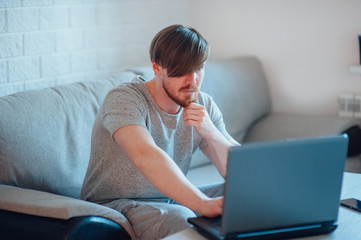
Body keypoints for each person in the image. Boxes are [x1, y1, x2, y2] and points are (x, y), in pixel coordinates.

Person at [81, 24, 239, 240]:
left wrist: (211, 132)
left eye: (199, 68)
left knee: (244, 195)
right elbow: (145, 155)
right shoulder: (124, 99)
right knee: (184, 217)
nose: (193, 80)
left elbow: (241, 173)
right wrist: (202, 203)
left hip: (169, 198)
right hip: (117, 204)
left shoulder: (203, 104)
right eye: (182, 70)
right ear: (157, 67)